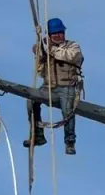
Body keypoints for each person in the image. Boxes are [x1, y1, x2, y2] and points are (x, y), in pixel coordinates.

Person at [25, 17, 83, 155]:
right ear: (50, 35)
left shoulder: (72, 47)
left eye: (60, 32)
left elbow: (68, 56)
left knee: (68, 112)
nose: (58, 35)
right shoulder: (46, 48)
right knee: (31, 101)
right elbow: (40, 71)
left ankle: (70, 142)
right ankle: (37, 135)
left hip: (66, 87)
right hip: (48, 87)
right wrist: (39, 54)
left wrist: (49, 49)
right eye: (55, 33)